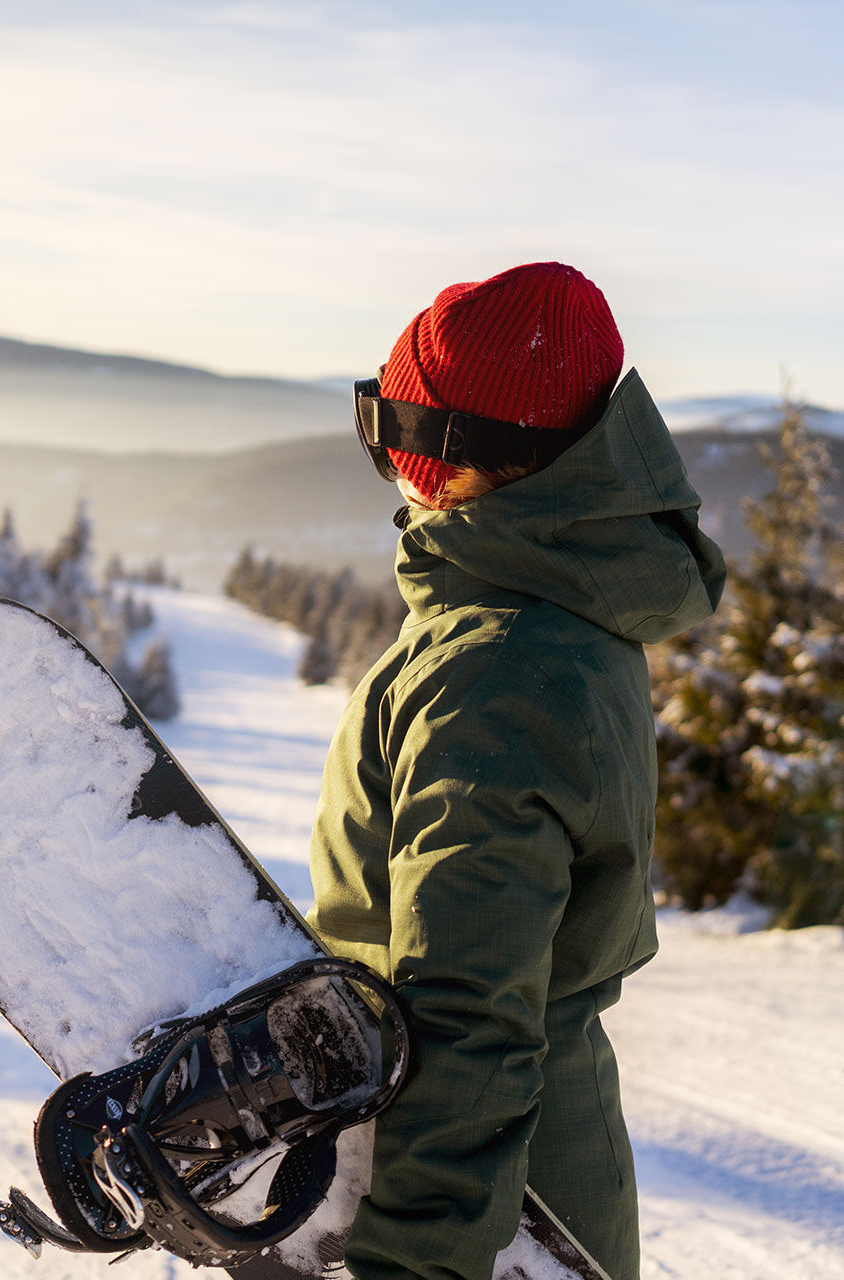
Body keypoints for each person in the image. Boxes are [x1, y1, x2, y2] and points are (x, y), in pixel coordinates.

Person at [307, 261, 727, 1280]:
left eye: (394, 428)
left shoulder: (494, 671)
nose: (392, 465)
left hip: (487, 1213)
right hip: (517, 1175)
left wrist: (410, 1263)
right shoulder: (554, 619)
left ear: (465, 457)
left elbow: (466, 1011)